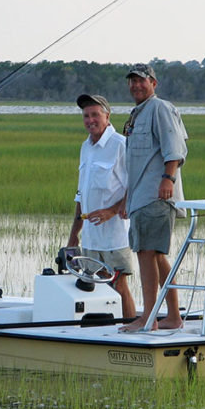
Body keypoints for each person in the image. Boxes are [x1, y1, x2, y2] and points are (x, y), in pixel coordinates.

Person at [119, 63, 188, 332]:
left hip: (156, 195)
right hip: (139, 197)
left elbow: (175, 148)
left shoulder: (160, 108)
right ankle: (172, 316)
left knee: (147, 253)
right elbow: (137, 162)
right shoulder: (137, 114)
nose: (136, 85)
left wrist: (168, 179)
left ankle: (148, 317)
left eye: (141, 80)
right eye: (132, 81)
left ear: (153, 83)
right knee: (155, 255)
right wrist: (127, 197)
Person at [67, 94, 136, 319]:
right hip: (90, 236)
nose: (90, 120)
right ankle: (110, 330)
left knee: (119, 285)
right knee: (97, 288)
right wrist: (73, 236)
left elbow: (135, 185)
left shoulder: (121, 145)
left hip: (115, 235)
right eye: (86, 116)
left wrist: (111, 211)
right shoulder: (85, 147)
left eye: (95, 114)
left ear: (107, 116)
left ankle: (130, 330)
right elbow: (81, 195)